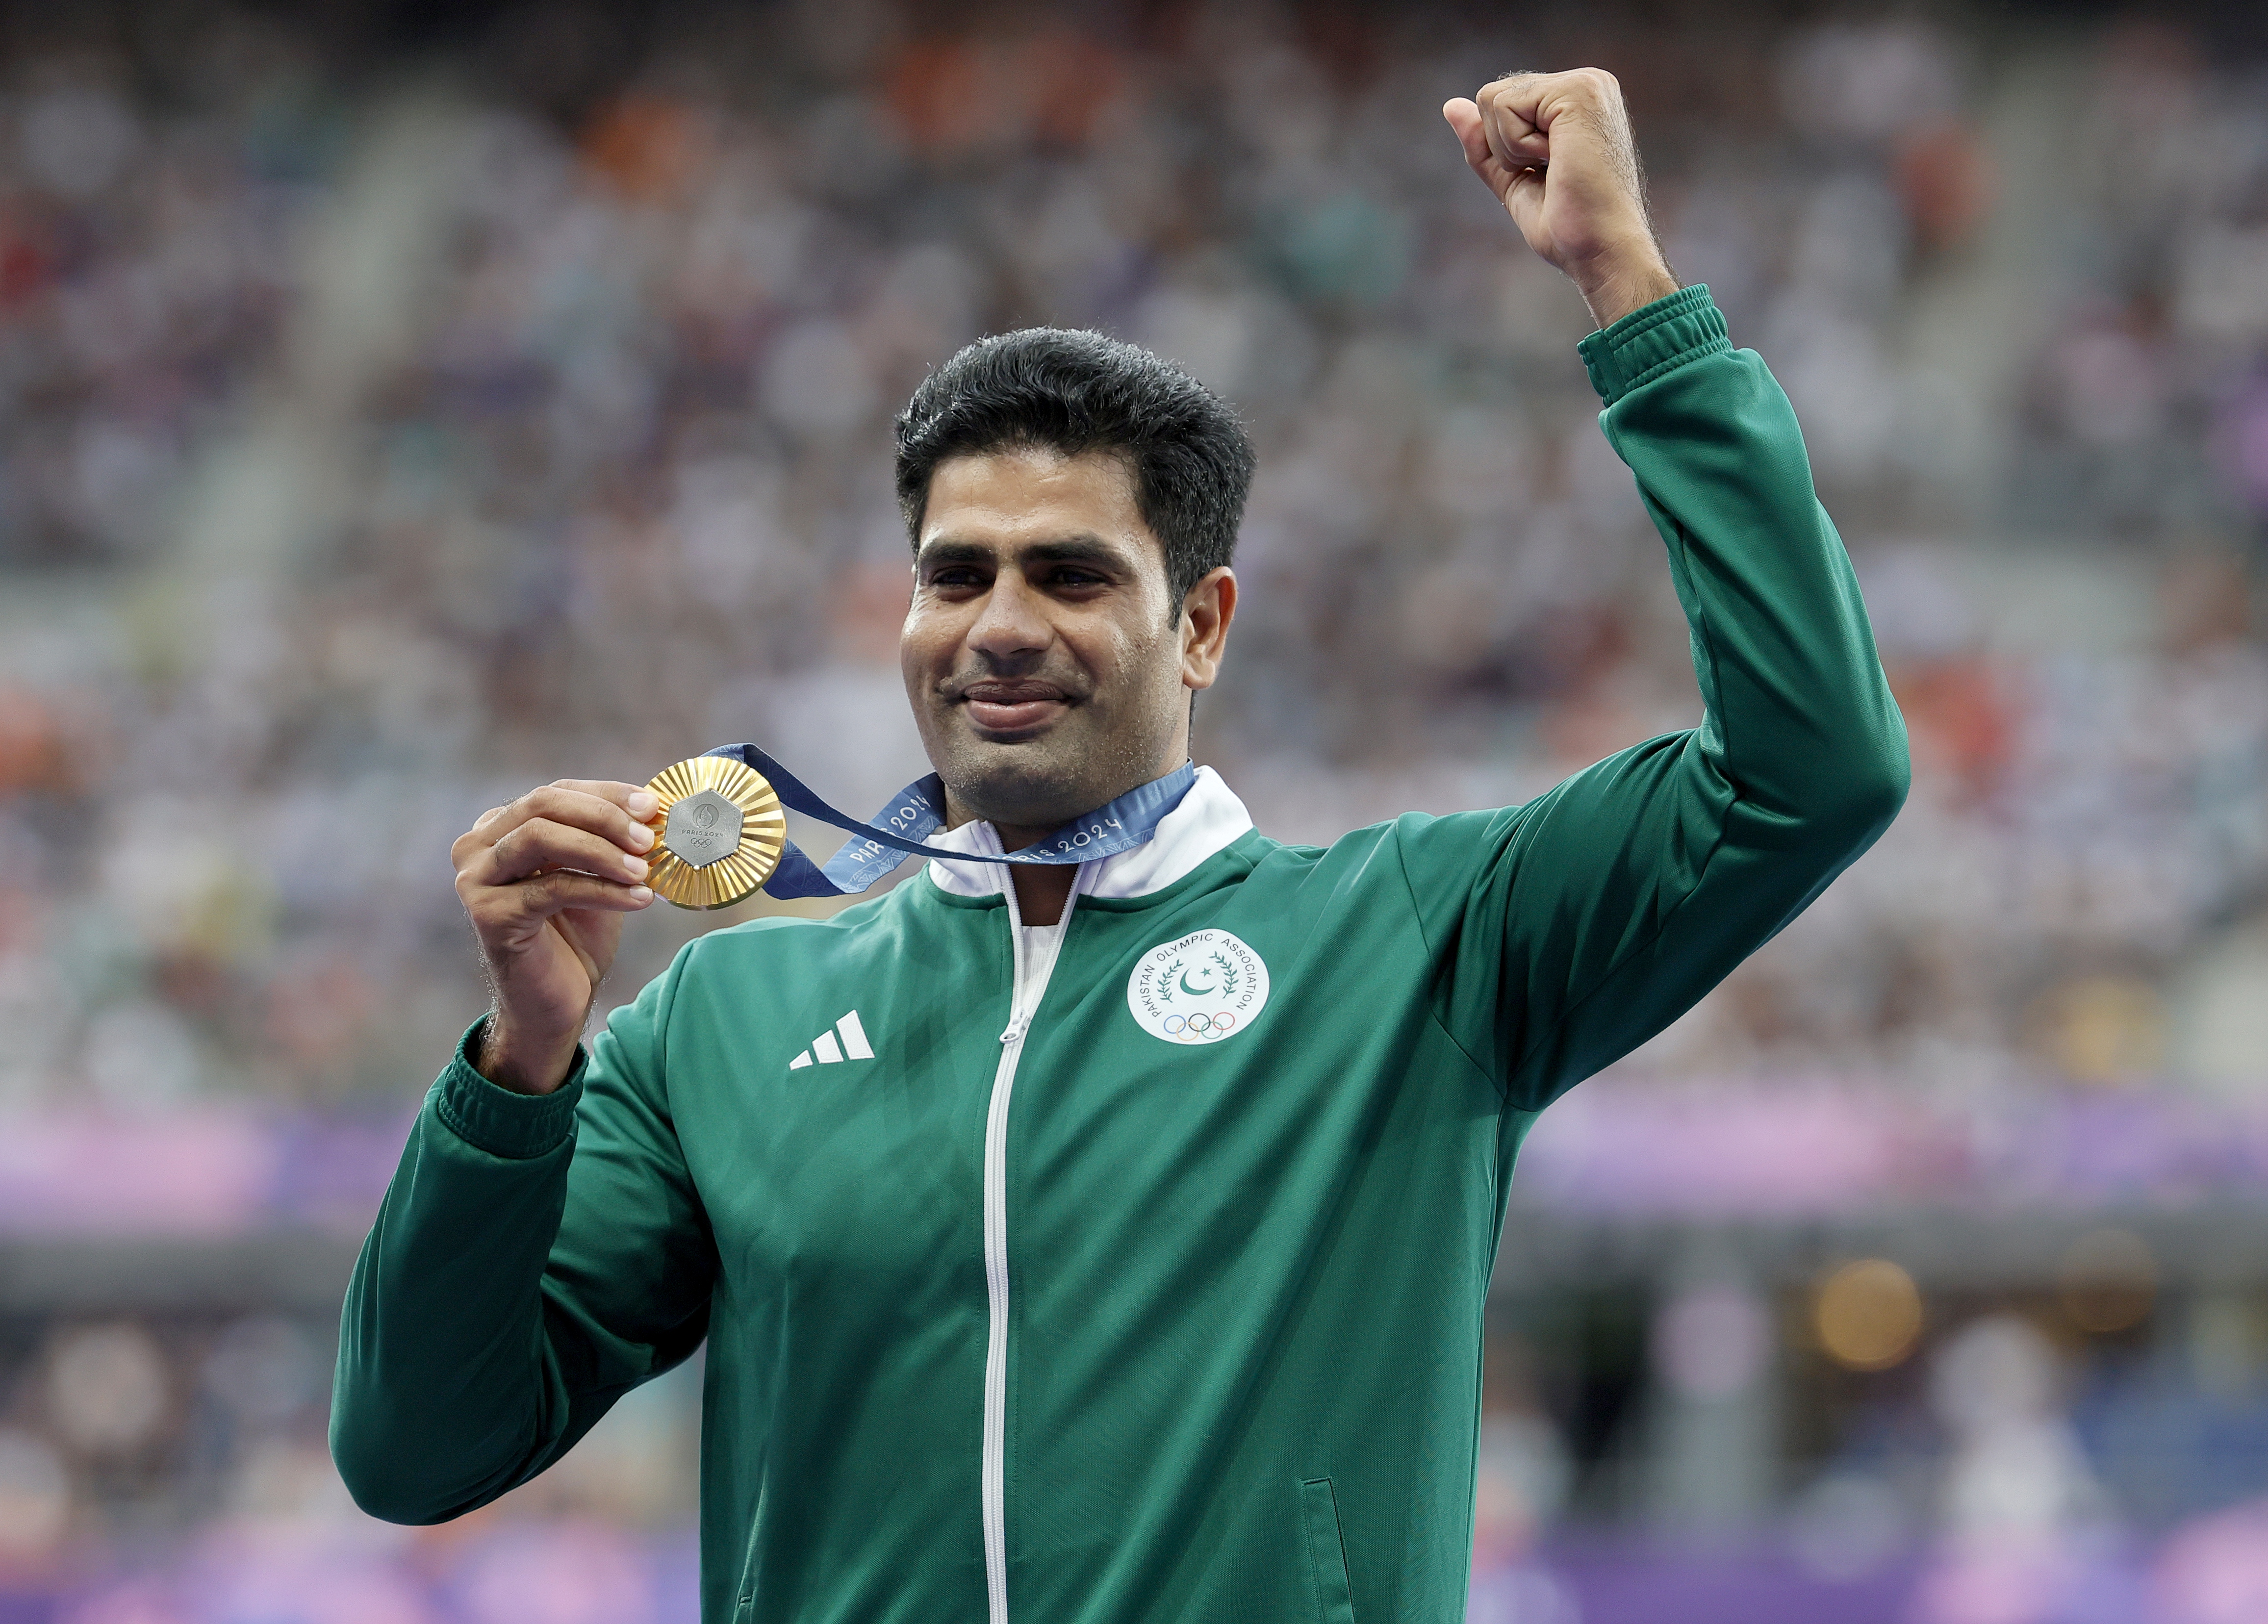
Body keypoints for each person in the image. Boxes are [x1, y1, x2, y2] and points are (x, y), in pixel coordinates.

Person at [331, 70, 1909, 1624]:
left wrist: (1628, 292)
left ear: (1199, 626)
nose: (999, 627)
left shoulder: (1418, 942)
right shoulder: (719, 1030)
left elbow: (1812, 769)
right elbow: (417, 1453)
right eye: (955, 576)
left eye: (1071, 575)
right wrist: (517, 1072)